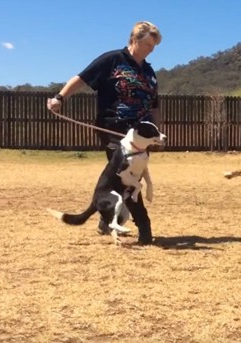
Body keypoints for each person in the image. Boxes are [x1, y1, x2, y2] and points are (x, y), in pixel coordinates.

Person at [46, 21, 163, 245]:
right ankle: (145, 228)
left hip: (141, 133)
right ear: (134, 40)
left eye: (154, 45)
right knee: (129, 177)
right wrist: (60, 98)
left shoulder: (148, 71)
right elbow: (81, 78)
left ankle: (105, 219)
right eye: (148, 44)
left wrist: (158, 132)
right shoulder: (112, 60)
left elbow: (155, 104)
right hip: (113, 128)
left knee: (121, 176)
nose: (151, 49)